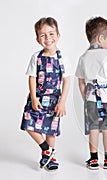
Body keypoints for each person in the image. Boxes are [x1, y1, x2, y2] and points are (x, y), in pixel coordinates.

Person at [20, 17, 70, 171]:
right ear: (37, 39)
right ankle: (46, 149)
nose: (48, 38)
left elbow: (66, 81)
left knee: (50, 130)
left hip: (54, 100)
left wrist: (62, 102)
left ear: (58, 35)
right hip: (38, 98)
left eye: (51, 34)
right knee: (28, 124)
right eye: (43, 35)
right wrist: (34, 98)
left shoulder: (63, 59)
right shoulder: (36, 57)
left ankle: (48, 158)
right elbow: (32, 78)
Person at [75, 16, 107, 170]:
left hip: (91, 98)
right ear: (101, 38)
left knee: (93, 128)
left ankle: (93, 159)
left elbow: (81, 81)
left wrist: (85, 97)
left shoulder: (83, 57)